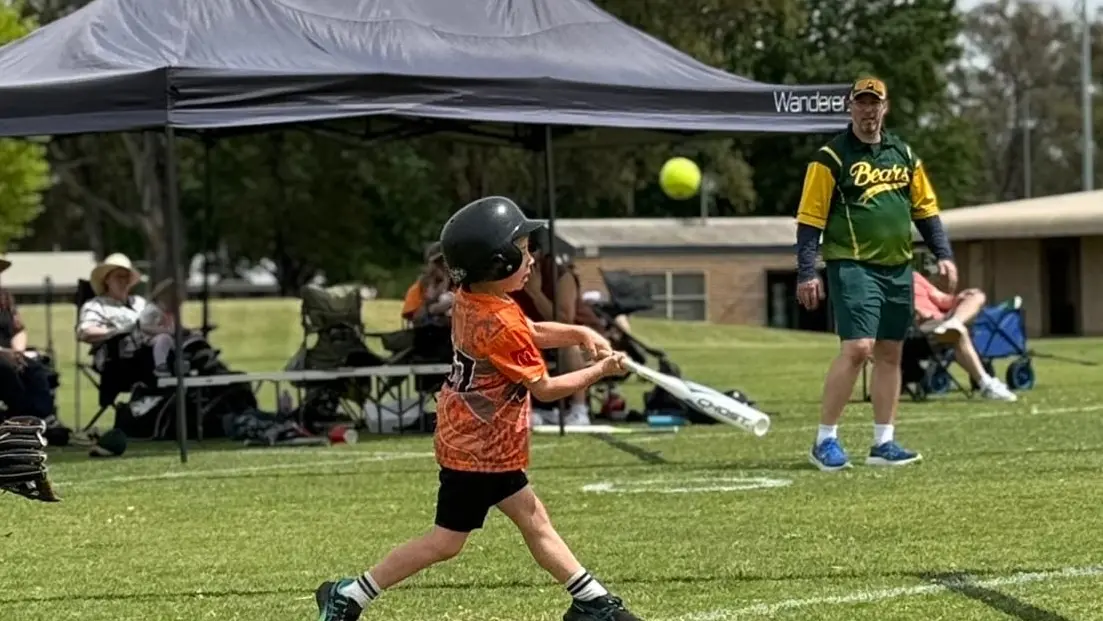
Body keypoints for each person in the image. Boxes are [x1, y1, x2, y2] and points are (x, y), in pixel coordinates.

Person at [314, 196, 642, 621]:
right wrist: (600, 371)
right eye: (524, 251)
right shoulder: (498, 322)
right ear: (500, 262)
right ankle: (349, 595)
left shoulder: (475, 298)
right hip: (478, 451)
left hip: (480, 442)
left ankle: (593, 603)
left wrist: (580, 332)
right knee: (446, 542)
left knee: (532, 518)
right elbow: (544, 388)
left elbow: (534, 329)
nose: (531, 258)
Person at [795, 77, 958, 472]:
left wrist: (944, 255)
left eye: (875, 103)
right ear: (850, 107)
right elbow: (809, 219)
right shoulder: (830, 158)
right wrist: (806, 271)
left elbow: (926, 210)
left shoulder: (902, 153)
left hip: (897, 265)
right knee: (858, 348)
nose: (868, 110)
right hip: (852, 263)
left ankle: (883, 443)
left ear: (885, 108)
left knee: (890, 352)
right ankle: (825, 440)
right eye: (861, 103)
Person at [510, 228, 604, 426]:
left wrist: (536, 293)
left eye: (531, 250)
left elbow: (564, 321)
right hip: (535, 339)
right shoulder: (510, 277)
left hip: (581, 340)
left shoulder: (561, 276)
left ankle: (580, 411)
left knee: (566, 342)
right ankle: (526, 409)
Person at [912, 269, 1017, 401]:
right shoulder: (883, 283)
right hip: (920, 328)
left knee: (977, 295)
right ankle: (986, 385)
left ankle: (954, 322)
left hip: (943, 320)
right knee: (958, 332)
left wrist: (958, 298)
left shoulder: (913, 276)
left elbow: (940, 298)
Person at [0, 257, 55, 422]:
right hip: (2, 359)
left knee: (35, 367)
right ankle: (21, 416)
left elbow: (19, 330)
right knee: (5, 369)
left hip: (10, 354)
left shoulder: (5, 298)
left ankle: (43, 417)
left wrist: (18, 351)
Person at [76, 253, 149, 370]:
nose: (123, 281)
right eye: (119, 276)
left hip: (148, 349)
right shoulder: (96, 305)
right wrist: (117, 331)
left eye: (126, 277)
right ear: (107, 280)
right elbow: (85, 332)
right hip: (114, 359)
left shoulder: (140, 302)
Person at [400, 242, 454, 327]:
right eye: (438, 262)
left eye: (446, 261)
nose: (443, 266)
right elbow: (414, 321)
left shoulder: (461, 285)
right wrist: (431, 308)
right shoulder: (418, 289)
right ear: (429, 265)